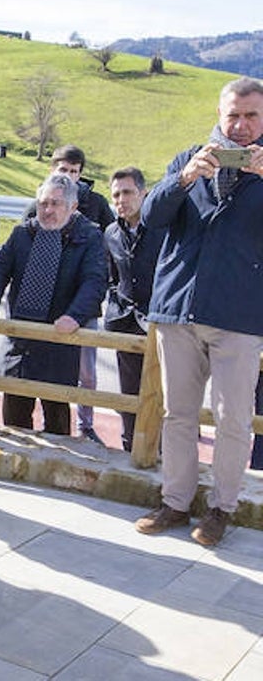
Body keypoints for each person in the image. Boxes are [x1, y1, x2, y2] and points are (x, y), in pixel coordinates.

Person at [134, 76, 263, 547]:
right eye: (233, 115)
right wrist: (185, 177)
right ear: (218, 113)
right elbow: (150, 218)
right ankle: (175, 501)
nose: (242, 125)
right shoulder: (188, 158)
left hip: (241, 314)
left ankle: (221, 509)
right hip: (179, 307)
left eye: (252, 115)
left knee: (233, 418)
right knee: (178, 413)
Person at [0, 174, 106, 436]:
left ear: (72, 207)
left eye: (56, 204)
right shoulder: (23, 232)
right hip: (20, 341)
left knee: (56, 421)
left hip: (59, 338)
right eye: (43, 203)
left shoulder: (89, 236)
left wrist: (75, 316)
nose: (48, 210)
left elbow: (94, 282)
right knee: (13, 422)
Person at [25, 144, 116, 444]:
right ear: (53, 169)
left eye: (75, 171)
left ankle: (85, 424)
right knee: (37, 367)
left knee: (86, 372)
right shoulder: (39, 204)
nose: (69, 176)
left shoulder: (97, 205)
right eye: (63, 170)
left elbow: (110, 245)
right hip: (43, 304)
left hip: (83, 304)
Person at [103, 167, 164, 453]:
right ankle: (129, 449)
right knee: (128, 395)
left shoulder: (164, 229)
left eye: (127, 192)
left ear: (143, 192)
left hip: (160, 324)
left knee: (159, 397)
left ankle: (158, 452)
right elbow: (113, 278)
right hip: (124, 324)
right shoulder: (111, 233)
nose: (121, 200)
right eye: (116, 194)